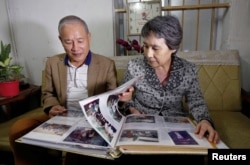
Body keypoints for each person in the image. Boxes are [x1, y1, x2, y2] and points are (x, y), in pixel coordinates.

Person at [9, 15, 133, 165]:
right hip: (61, 115)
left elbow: (112, 97)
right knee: (19, 129)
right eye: (68, 42)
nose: (75, 48)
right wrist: (51, 107)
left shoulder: (106, 64)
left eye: (80, 41)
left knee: (75, 152)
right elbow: (48, 93)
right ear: (61, 40)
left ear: (89, 37)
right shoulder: (52, 63)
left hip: (90, 120)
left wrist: (120, 99)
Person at [121, 15, 220, 144]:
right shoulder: (134, 66)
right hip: (142, 126)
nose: (148, 54)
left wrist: (205, 121)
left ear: (173, 48)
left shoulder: (188, 70)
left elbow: (196, 102)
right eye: (145, 46)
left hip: (175, 127)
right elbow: (123, 97)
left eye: (155, 48)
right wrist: (132, 109)